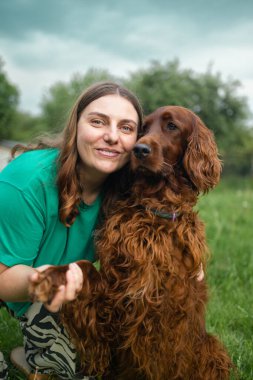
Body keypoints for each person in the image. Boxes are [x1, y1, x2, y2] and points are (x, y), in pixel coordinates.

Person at [0, 81, 143, 380]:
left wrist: (187, 263)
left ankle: (33, 356)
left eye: (127, 128)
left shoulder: (130, 190)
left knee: (96, 368)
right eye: (98, 121)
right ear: (75, 126)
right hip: (16, 277)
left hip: (58, 285)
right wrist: (44, 278)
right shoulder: (27, 180)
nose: (112, 136)